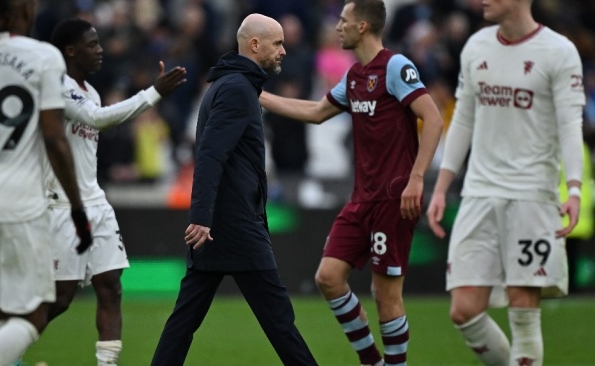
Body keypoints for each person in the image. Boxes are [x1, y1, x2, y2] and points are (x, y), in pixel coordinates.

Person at [259, 0, 444, 365]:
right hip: (361, 199)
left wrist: (416, 178)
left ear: (362, 26)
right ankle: (371, 360)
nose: (337, 26)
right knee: (328, 277)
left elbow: (433, 118)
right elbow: (315, 112)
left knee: (385, 294)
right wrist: (259, 95)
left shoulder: (395, 67)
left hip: (394, 197)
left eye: (343, 20)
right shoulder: (356, 75)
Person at [150, 14, 317, 366]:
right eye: (277, 44)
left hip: (218, 224)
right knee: (279, 321)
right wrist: (201, 217)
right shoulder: (238, 89)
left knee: (184, 322)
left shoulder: (229, 86)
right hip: (234, 225)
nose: (284, 51)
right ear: (254, 45)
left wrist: (204, 219)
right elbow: (210, 155)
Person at [425, 0, 585, 364]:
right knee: (463, 309)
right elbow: (463, 118)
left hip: (531, 195)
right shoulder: (476, 45)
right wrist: (441, 185)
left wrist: (573, 189)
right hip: (479, 191)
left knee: (523, 306)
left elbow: (570, 125)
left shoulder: (559, 52)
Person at [0, 1, 92, 365]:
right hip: (20, 204)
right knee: (34, 315)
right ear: (24, 13)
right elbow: (56, 139)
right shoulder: (43, 57)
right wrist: (76, 207)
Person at [41, 18, 186, 366]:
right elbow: (98, 119)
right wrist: (153, 94)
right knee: (61, 299)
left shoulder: (89, 90)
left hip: (96, 202)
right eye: (92, 44)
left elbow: (94, 123)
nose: (100, 50)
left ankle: (107, 364)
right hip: (61, 205)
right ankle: (4, 353)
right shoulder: (57, 87)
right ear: (71, 51)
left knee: (112, 287)